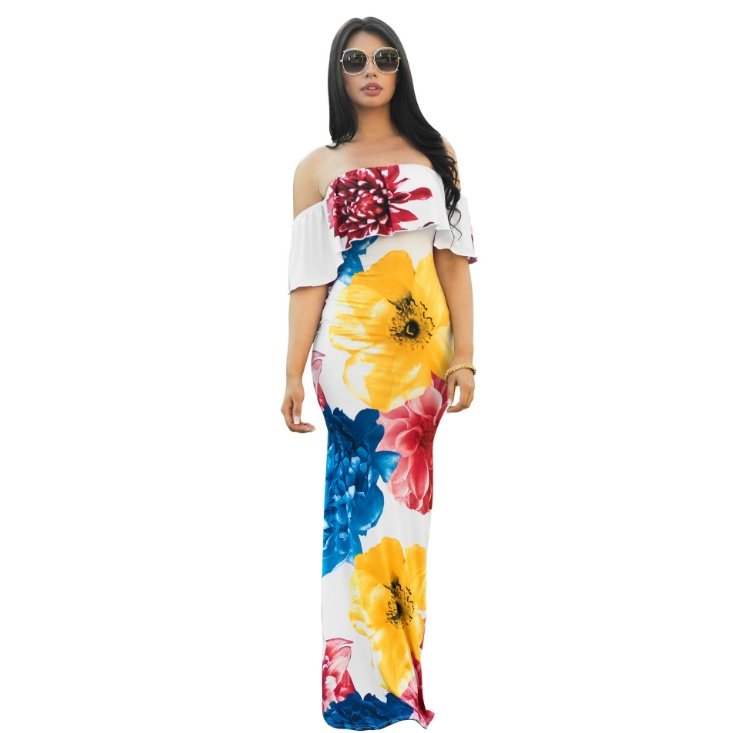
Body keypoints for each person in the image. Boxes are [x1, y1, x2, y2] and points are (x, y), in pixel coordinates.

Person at [282, 16, 478, 730]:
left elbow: (453, 261)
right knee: (352, 513)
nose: (370, 70)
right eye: (355, 59)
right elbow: (308, 280)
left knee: (404, 512)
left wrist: (465, 355)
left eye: (385, 58)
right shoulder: (316, 167)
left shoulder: (435, 154)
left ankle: (396, 676)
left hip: (419, 359)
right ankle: (351, 688)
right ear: (338, 74)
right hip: (347, 356)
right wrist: (291, 374)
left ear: (402, 69)